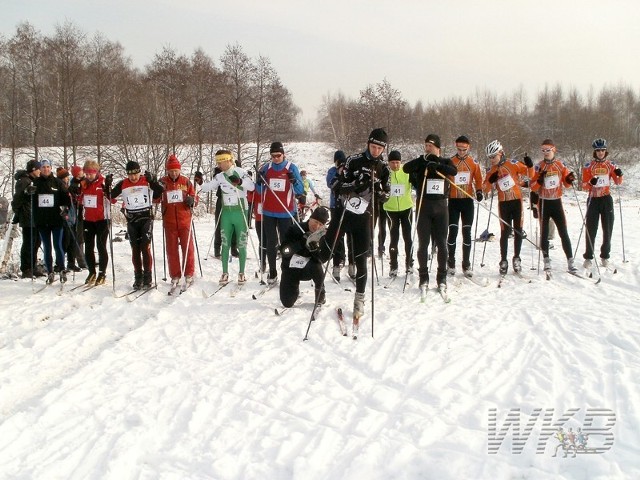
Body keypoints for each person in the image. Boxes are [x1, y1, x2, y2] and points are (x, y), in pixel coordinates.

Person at [320, 128, 391, 322]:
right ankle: (318, 286)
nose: (376, 151)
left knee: (361, 260)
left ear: (383, 149)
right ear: (368, 144)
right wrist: (354, 185)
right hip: (344, 214)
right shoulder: (354, 160)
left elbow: (387, 194)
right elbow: (338, 186)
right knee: (326, 252)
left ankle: (359, 299)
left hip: (364, 218)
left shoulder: (384, 169)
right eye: (373, 146)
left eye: (379, 148)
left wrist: (380, 193)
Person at [403, 134, 457, 290]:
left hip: (441, 207)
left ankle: (442, 278)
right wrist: (422, 161)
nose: (427, 148)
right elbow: (406, 168)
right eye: (426, 146)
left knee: (442, 244)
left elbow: (453, 171)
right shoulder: (422, 161)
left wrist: (437, 165)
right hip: (424, 206)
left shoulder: (445, 161)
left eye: (430, 146)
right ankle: (423, 277)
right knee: (423, 244)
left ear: (438, 148)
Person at [106, 160, 164, 289]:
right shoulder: (123, 184)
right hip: (132, 219)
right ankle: (138, 276)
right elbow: (110, 196)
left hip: (145, 218)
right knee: (135, 249)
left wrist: (153, 181)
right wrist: (107, 185)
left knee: (145, 247)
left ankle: (147, 276)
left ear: (139, 172)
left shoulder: (146, 181)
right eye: (130, 175)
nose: (133, 177)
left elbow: (160, 191)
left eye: (135, 174)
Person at [200, 149, 255, 285]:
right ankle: (225, 273)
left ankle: (241, 273)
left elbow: (252, 187)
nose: (219, 165)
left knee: (241, 243)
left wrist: (240, 182)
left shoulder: (241, 172)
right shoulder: (220, 176)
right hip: (226, 214)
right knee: (225, 243)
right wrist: (200, 182)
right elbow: (207, 188)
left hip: (240, 212)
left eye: (220, 162)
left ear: (228, 160)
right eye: (217, 162)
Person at [255, 141, 305, 284]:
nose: (276, 158)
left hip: (286, 212)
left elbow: (300, 190)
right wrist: (259, 182)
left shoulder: (291, 168)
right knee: (271, 243)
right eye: (273, 156)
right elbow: (259, 191)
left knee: (285, 244)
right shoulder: (266, 168)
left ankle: (286, 271)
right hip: (269, 212)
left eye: (278, 155)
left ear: (283, 154)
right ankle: (272, 272)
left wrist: (294, 181)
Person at [482, 140, 534, 274]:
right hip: (503, 203)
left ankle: (517, 258)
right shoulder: (491, 170)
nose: (492, 160)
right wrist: (490, 180)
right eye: (489, 158)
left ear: (501, 153)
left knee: (518, 231)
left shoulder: (513, 164)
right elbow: (485, 189)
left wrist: (530, 165)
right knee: (504, 232)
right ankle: (503, 260)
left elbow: (530, 174)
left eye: (493, 156)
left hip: (517, 202)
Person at [530, 139, 578, 273]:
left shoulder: (560, 165)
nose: (545, 152)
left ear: (554, 150)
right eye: (543, 150)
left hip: (556, 202)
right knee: (544, 234)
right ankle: (546, 260)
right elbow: (532, 186)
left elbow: (568, 185)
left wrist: (569, 180)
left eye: (548, 150)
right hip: (544, 202)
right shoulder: (539, 166)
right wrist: (539, 181)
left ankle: (570, 260)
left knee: (563, 232)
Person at [581, 138, 623, 268]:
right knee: (591, 229)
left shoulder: (610, 165)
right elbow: (583, 185)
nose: (600, 153)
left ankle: (605, 256)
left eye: (603, 150)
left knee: (608, 229)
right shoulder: (589, 166)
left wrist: (619, 174)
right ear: (594, 151)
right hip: (593, 199)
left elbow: (618, 182)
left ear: (606, 151)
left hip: (606, 199)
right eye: (598, 150)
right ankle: (588, 257)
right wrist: (590, 183)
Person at [446, 135, 484, 277]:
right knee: (453, 232)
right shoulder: (451, 161)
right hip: (454, 201)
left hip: (467, 201)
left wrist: (479, 191)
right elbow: (445, 178)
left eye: (464, 149)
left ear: (469, 148)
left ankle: (466, 263)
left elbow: (479, 179)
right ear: (456, 147)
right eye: (459, 149)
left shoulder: (473, 163)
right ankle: (450, 261)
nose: (461, 152)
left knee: (467, 232)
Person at [159, 154, 197, 292]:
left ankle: (189, 273)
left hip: (184, 220)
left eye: (176, 170)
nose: (174, 173)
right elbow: (156, 198)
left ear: (179, 170)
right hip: (169, 221)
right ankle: (175, 274)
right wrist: (156, 188)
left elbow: (194, 196)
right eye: (171, 171)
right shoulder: (162, 182)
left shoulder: (185, 182)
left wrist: (192, 200)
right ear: (167, 171)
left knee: (188, 248)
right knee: (171, 249)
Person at [279, 206, 330, 308]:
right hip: (291, 267)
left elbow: (323, 259)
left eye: (320, 224)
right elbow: (284, 252)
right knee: (287, 303)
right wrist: (301, 243)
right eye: (315, 222)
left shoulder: (323, 235)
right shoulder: (295, 228)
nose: (316, 226)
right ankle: (294, 290)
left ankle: (320, 292)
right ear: (310, 218)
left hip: (309, 269)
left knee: (317, 266)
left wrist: (315, 250)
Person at [32, 159, 71, 284]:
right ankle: (50, 272)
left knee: (57, 245)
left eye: (48, 167)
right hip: (42, 221)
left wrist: (65, 208)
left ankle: (62, 269)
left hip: (56, 220)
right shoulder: (35, 183)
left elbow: (66, 197)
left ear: (51, 168)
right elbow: (29, 197)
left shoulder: (57, 182)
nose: (46, 169)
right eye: (43, 167)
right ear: (40, 169)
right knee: (47, 247)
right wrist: (27, 193)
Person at [77, 159, 110, 285]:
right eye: (86, 174)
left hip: (102, 220)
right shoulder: (84, 184)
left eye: (91, 173)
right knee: (88, 247)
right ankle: (92, 272)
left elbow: (112, 201)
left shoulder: (102, 182)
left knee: (101, 246)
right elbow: (80, 200)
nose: (89, 176)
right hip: (88, 220)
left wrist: (108, 190)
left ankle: (102, 273)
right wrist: (76, 195)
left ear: (97, 172)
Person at [383, 150, 414, 276]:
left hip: (406, 208)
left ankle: (409, 263)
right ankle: (393, 265)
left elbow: (415, 183)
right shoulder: (386, 174)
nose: (395, 165)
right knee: (394, 238)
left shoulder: (406, 172)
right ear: (389, 163)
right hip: (391, 210)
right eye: (393, 163)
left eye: (397, 162)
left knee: (408, 237)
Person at [11, 160, 44, 278]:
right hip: (27, 215)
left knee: (36, 242)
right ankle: (26, 268)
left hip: (35, 215)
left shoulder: (32, 180)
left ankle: (33, 266)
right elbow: (17, 199)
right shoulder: (24, 181)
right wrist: (26, 194)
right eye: (39, 169)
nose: (40, 171)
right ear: (34, 170)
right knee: (29, 242)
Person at [326, 150, 354, 282]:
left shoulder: (350, 170)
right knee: (338, 235)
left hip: (349, 206)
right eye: (338, 162)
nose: (340, 164)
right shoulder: (332, 171)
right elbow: (331, 184)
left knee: (351, 235)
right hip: (335, 206)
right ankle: (337, 263)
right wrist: (338, 173)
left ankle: (352, 264)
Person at [56, 167, 82, 273]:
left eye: (67, 177)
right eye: (65, 177)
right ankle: (60, 263)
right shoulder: (60, 187)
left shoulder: (68, 187)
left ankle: (71, 263)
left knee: (72, 242)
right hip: (64, 218)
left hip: (72, 217)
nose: (66, 179)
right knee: (64, 242)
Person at [69, 165, 87, 269]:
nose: (82, 173)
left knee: (83, 236)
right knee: (79, 237)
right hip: (78, 214)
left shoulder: (84, 181)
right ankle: (81, 260)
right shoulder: (75, 185)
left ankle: (84, 258)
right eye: (80, 172)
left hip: (85, 212)